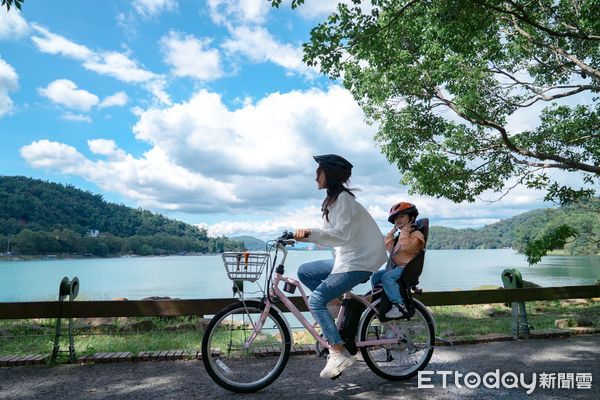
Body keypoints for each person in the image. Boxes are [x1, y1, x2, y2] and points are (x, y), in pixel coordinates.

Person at [294, 154, 387, 379]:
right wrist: (297, 237)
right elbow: (331, 237)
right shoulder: (333, 201)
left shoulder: (344, 199)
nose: (315, 177)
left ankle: (337, 351)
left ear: (331, 174)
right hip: (344, 259)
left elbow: (341, 235)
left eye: (319, 172)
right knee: (304, 271)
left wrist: (308, 233)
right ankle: (337, 315)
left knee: (316, 300)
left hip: (358, 262)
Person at [371, 202, 425, 319]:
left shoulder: (416, 234)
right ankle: (380, 302)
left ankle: (399, 306)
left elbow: (406, 246)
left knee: (387, 277)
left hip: (406, 268)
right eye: (395, 219)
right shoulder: (401, 236)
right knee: (376, 276)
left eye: (402, 216)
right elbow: (389, 247)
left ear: (411, 217)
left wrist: (405, 231)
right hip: (397, 267)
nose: (398, 220)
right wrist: (392, 232)